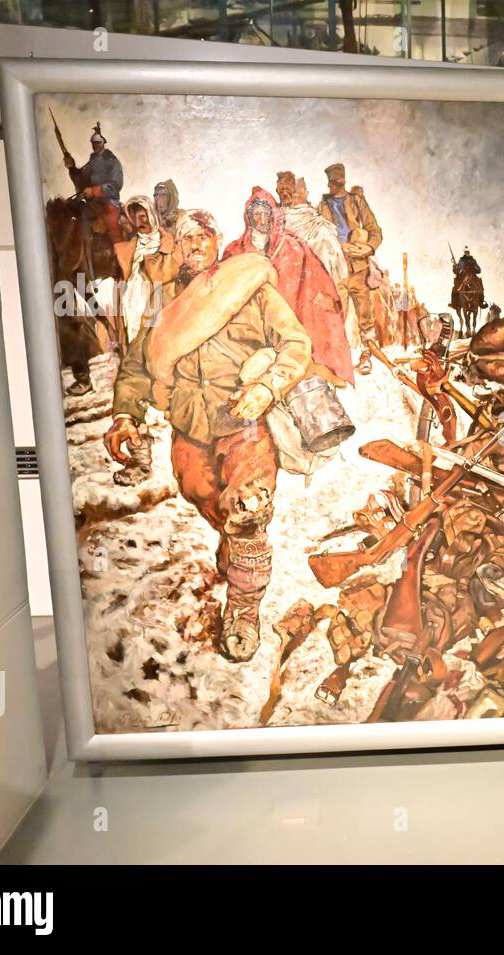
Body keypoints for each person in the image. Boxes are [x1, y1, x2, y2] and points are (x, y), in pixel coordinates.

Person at [103, 210, 313, 662]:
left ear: (218, 242)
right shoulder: (164, 303)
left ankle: (242, 608)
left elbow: (297, 345)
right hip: (190, 426)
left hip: (246, 424)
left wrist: (266, 386)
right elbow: (138, 366)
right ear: (176, 247)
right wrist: (125, 415)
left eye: (204, 237)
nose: (195, 246)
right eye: (186, 239)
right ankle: (236, 543)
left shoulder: (252, 287)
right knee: (200, 492)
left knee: (249, 510)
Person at [222, 186, 354, 386]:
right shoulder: (234, 250)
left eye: (266, 213)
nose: (261, 219)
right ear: (248, 216)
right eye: (256, 213)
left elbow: (313, 279)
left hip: (290, 317)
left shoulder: (292, 246)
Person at [275, 171, 356, 347]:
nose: (304, 193)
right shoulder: (280, 218)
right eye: (299, 189)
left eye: (302, 189)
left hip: (325, 283)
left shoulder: (316, 218)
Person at [318, 162, 382, 374]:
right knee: (336, 315)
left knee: (366, 316)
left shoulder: (357, 201)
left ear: (343, 181)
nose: (334, 185)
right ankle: (335, 361)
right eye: (331, 182)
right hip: (335, 268)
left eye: (337, 181)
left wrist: (368, 248)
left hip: (359, 268)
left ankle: (366, 356)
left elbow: (375, 231)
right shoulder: (323, 206)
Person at [112, 195, 174, 344]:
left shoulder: (169, 243)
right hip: (132, 299)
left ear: (151, 215)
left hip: (159, 297)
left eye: (143, 216)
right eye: (135, 217)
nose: (140, 222)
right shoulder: (128, 247)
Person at [66, 123, 125, 243]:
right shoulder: (92, 162)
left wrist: (94, 191)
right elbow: (80, 180)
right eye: (93, 143)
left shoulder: (112, 161)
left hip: (109, 203)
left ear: (103, 143)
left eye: (98, 143)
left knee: (113, 227)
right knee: (72, 220)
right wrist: (72, 168)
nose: (95, 145)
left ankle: (119, 255)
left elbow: (116, 185)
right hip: (92, 205)